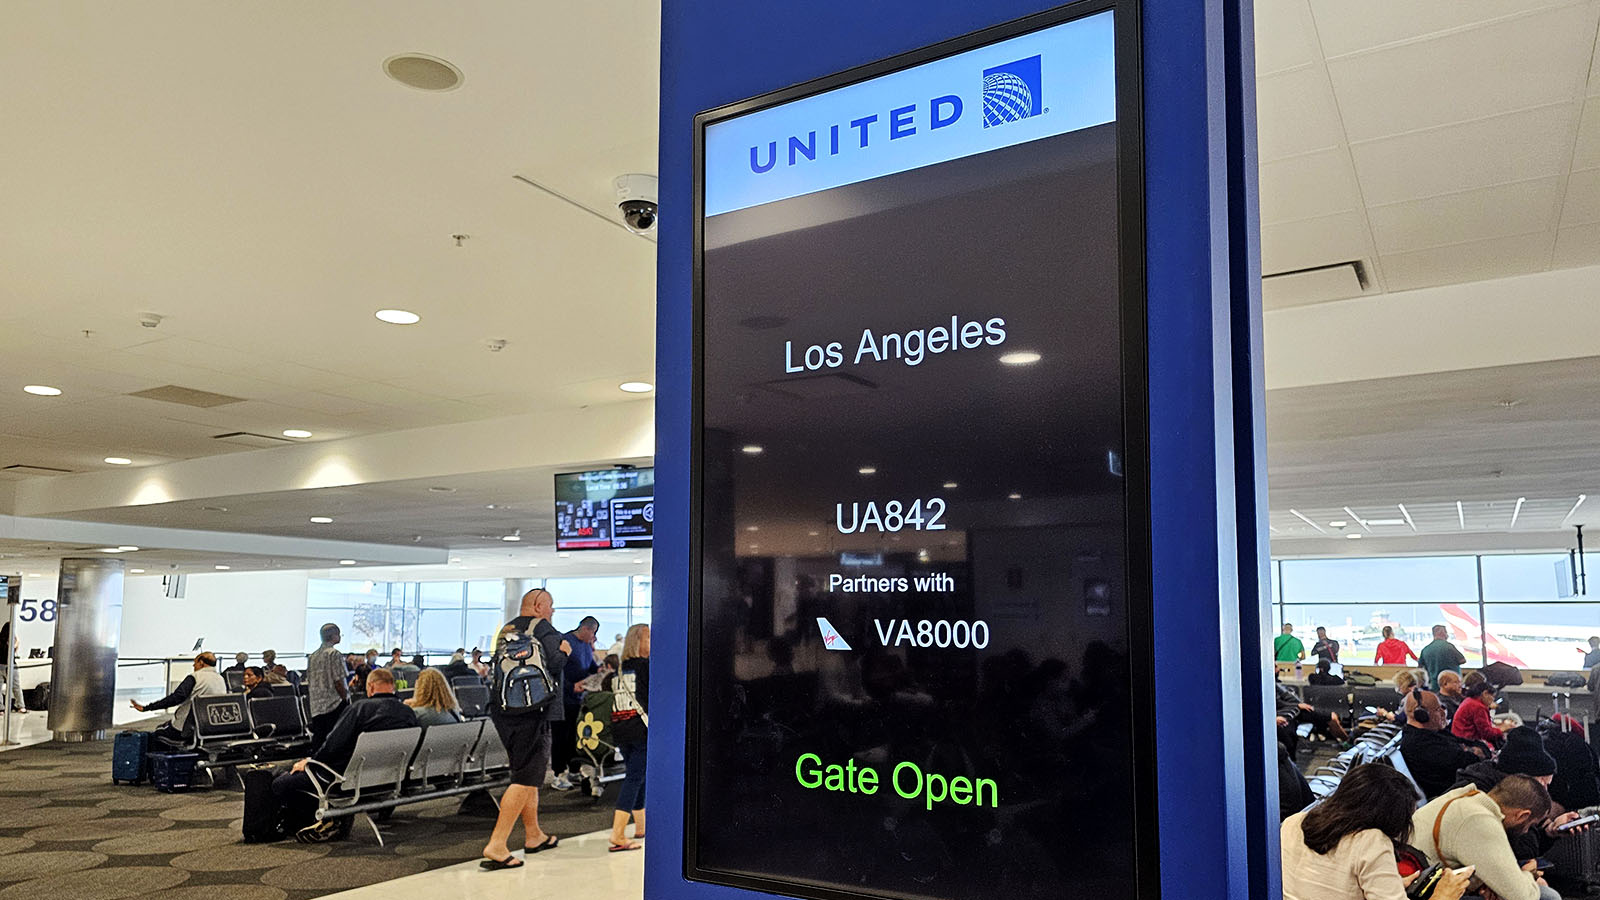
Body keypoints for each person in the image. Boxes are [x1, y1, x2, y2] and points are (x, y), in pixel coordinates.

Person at [1281, 763, 1468, 900]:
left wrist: (1388, 886)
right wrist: (1443, 896)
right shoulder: (1371, 841)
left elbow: (1322, 887)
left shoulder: (1294, 822)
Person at [272, 667, 418, 842]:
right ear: (392, 686)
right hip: (389, 778)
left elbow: (332, 746)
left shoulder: (359, 709)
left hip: (345, 781)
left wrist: (311, 762)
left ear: (370, 687)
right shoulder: (407, 712)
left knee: (281, 783)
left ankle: (309, 822)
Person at [480, 587, 571, 870]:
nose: (553, 611)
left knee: (527, 773)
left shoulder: (506, 629)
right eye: (550, 605)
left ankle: (534, 835)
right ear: (537, 605)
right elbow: (554, 664)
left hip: (504, 709)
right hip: (534, 710)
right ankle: (497, 844)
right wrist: (565, 651)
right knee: (524, 778)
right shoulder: (543, 628)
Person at [1413, 775, 1558, 900]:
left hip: (1415, 880)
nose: (1526, 831)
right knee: (1547, 896)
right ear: (1522, 815)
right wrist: (1529, 873)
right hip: (1423, 891)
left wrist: (1484, 883)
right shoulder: (1479, 821)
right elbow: (1522, 896)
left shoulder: (1466, 796)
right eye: (1530, 824)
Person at [605, 623, 649, 852]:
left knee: (639, 776)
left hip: (621, 730)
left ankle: (640, 827)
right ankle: (618, 834)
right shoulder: (647, 667)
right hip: (642, 729)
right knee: (634, 778)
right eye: (649, 638)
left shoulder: (619, 671)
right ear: (640, 642)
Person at [1400, 688, 1484, 800]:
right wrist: (1471, 751)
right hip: (1452, 797)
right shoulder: (1420, 743)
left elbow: (1473, 743)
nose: (1443, 713)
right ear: (1421, 715)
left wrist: (1469, 749)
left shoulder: (1433, 732)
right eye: (1438, 709)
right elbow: (1470, 761)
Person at [131, 652, 227, 746]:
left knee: (157, 732)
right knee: (166, 726)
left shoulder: (195, 677)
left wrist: (147, 708)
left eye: (195, 663)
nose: (194, 666)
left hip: (188, 728)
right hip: (210, 727)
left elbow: (176, 698)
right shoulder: (220, 679)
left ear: (201, 662)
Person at [552, 615, 601, 791]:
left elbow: (591, 667)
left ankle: (573, 769)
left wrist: (601, 671)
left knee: (575, 737)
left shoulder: (586, 647)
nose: (594, 637)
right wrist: (571, 687)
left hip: (578, 700)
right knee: (561, 737)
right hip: (563, 698)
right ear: (585, 629)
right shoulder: (565, 641)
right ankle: (558, 773)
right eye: (593, 633)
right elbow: (556, 671)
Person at [306, 623, 351, 751]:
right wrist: (345, 698)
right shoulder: (334, 654)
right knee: (336, 738)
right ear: (333, 636)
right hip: (334, 702)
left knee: (319, 737)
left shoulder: (312, 656)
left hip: (316, 704)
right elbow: (338, 680)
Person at [1451, 681, 1507, 751]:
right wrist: (1501, 730)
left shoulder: (1469, 700)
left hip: (1460, 739)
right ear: (1485, 693)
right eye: (1493, 696)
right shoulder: (1478, 707)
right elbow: (1486, 734)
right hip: (1468, 742)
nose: (1493, 700)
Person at [1419, 625, 1466, 690]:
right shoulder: (1449, 647)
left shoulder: (1425, 650)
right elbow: (1462, 660)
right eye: (1446, 632)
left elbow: (1420, 666)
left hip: (1434, 685)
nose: (1447, 635)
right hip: (1452, 685)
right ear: (1442, 633)